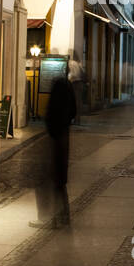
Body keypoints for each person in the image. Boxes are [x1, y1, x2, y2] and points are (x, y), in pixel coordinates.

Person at [30, 75, 76, 229]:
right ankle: (63, 217)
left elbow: (50, 119)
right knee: (60, 184)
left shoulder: (56, 109)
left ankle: (47, 218)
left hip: (55, 143)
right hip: (63, 141)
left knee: (46, 183)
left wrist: (50, 130)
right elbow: (73, 111)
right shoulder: (68, 92)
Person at [67, 49, 86, 126]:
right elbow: (83, 73)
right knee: (78, 102)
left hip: (73, 83)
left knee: (72, 102)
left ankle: (73, 119)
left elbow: (71, 74)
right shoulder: (79, 63)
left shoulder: (70, 63)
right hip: (79, 83)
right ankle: (77, 120)